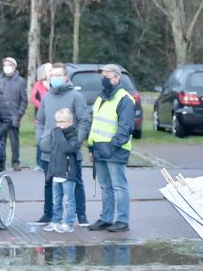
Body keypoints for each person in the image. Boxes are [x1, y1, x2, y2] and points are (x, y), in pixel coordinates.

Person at [35, 63, 89, 226]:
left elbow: (84, 121)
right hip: (49, 150)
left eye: (59, 75)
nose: (55, 78)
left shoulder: (76, 96)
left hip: (69, 151)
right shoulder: (47, 97)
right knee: (49, 182)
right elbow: (40, 121)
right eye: (53, 75)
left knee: (75, 182)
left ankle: (81, 215)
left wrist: (76, 142)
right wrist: (40, 140)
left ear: (66, 77)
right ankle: (49, 214)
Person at [86, 64, 135, 233]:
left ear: (116, 77)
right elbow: (95, 125)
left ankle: (122, 220)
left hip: (116, 150)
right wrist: (91, 146)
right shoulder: (100, 98)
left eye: (107, 74)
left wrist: (112, 146)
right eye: (103, 75)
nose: (103, 78)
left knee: (119, 186)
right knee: (105, 187)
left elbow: (125, 128)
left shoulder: (125, 99)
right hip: (99, 149)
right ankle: (106, 218)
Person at [44, 108, 82, 233]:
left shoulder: (73, 136)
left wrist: (59, 134)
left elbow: (67, 148)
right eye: (57, 122)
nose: (58, 125)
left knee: (69, 200)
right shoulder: (55, 134)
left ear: (70, 122)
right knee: (56, 200)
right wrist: (51, 172)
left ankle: (69, 223)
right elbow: (53, 154)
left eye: (62, 122)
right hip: (56, 173)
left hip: (67, 174)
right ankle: (56, 220)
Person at [0, 57, 28, 170]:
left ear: (14, 67)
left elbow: (24, 100)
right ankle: (1, 162)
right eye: (5, 65)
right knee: (0, 142)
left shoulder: (20, 81)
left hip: (14, 117)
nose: (7, 67)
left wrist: (19, 114)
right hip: (1, 117)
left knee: (14, 142)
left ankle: (15, 162)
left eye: (9, 65)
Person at [32, 62, 52, 172]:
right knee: (40, 140)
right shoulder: (38, 84)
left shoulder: (54, 84)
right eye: (48, 70)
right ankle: (39, 163)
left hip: (53, 117)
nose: (50, 72)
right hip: (40, 116)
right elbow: (34, 98)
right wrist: (43, 106)